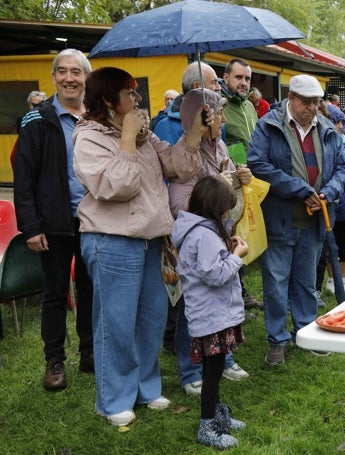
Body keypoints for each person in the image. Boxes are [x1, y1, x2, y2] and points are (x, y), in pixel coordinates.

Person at [73, 66, 213, 426]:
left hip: (153, 240)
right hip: (112, 241)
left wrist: (195, 131)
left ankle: (146, 388)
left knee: (151, 320)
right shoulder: (89, 137)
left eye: (136, 93)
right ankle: (114, 399)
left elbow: (179, 168)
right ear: (108, 100)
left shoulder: (144, 137)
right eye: (129, 94)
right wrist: (126, 142)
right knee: (116, 323)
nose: (137, 101)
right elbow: (115, 187)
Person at [154, 63, 249, 388]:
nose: (223, 119)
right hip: (193, 242)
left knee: (222, 299)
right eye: (218, 114)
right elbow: (179, 204)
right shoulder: (187, 150)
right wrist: (215, 186)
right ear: (203, 118)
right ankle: (191, 372)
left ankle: (223, 359)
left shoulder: (220, 145)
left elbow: (227, 179)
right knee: (190, 307)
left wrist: (236, 179)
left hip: (220, 234)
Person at [247, 74, 345, 365]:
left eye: (316, 102)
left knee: (306, 281)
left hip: (316, 219)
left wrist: (327, 193)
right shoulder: (268, 126)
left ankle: (305, 332)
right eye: (306, 102)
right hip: (280, 219)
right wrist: (298, 189)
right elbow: (257, 164)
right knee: (277, 281)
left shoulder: (327, 128)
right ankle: (277, 339)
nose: (311, 108)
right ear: (290, 98)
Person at [13, 49, 94, 392]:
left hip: (94, 222)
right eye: (62, 72)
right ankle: (55, 361)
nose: (69, 78)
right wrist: (31, 227)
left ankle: (90, 353)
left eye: (76, 71)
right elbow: (23, 178)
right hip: (54, 223)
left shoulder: (97, 116)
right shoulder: (37, 120)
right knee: (55, 292)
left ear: (86, 78)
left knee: (92, 291)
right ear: (54, 77)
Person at [171, 175, 248, 450]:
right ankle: (207, 425)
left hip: (213, 314)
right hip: (211, 316)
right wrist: (237, 256)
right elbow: (215, 275)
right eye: (226, 210)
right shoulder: (204, 235)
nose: (228, 214)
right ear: (216, 209)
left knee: (214, 367)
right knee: (212, 372)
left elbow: (209, 263)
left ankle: (216, 414)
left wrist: (227, 248)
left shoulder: (203, 231)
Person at [221, 58, 263, 311]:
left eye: (247, 78)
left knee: (244, 233)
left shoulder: (248, 106)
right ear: (226, 78)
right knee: (229, 236)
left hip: (251, 179)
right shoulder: (220, 104)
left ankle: (240, 288)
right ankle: (234, 293)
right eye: (238, 77)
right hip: (228, 181)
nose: (243, 83)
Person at [320, 104, 345, 295]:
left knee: (342, 240)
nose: (338, 126)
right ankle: (331, 278)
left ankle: (342, 279)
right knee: (331, 242)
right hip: (333, 199)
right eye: (334, 122)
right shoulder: (327, 143)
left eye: (340, 122)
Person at [154, 61, 220, 144]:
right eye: (214, 82)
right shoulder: (166, 127)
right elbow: (170, 157)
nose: (219, 87)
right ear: (196, 86)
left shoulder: (216, 120)